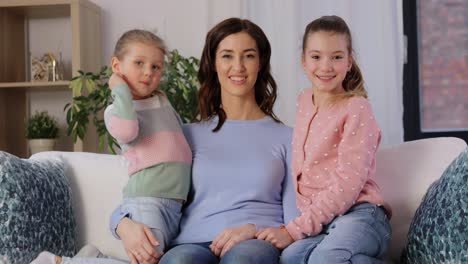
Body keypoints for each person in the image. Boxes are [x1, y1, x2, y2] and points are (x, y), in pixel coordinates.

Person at [115, 17, 298, 264]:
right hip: (192, 243)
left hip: (256, 242)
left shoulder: (288, 137)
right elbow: (149, 190)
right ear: (213, 64)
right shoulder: (185, 135)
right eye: (227, 56)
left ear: (261, 63)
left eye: (248, 56)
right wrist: (121, 224)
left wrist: (254, 230)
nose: (238, 66)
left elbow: (296, 219)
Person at [31, 29, 192, 264]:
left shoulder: (161, 99)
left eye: (156, 67)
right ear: (117, 65)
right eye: (139, 63)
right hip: (147, 200)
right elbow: (128, 131)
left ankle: (94, 257)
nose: (148, 72)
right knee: (150, 259)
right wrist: (120, 90)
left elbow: (182, 136)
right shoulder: (118, 111)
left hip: (174, 206)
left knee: (152, 259)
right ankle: (57, 262)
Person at [255, 15, 392, 263]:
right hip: (324, 222)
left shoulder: (357, 108)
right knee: (291, 258)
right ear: (304, 62)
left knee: (325, 259)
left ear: (349, 62)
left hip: (361, 215)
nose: (326, 66)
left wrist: (294, 230)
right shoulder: (304, 101)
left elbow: (347, 184)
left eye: (337, 57)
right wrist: (299, 224)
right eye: (316, 57)